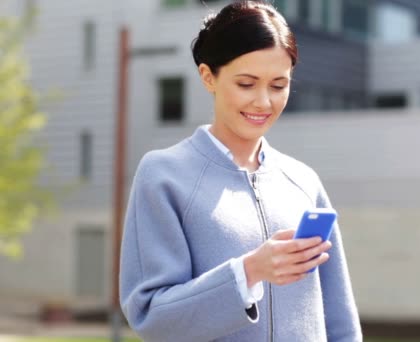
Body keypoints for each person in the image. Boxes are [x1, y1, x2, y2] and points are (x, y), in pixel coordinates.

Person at [119, 1, 362, 341]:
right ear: (208, 77)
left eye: (278, 86)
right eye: (246, 84)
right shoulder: (164, 176)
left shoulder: (303, 182)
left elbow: (340, 321)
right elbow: (151, 317)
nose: (264, 102)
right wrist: (247, 272)